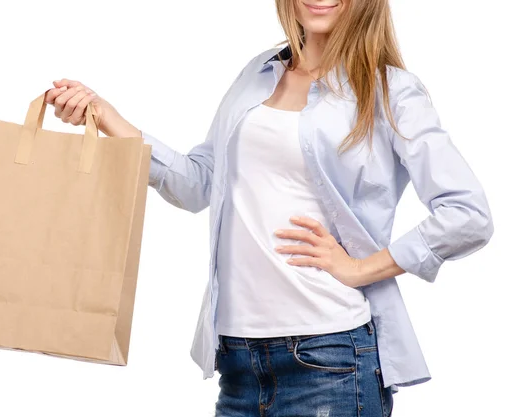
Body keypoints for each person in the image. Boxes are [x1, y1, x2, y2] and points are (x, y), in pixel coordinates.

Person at [44, 1, 494, 415]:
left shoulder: (390, 90)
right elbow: (198, 184)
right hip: (238, 363)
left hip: (330, 359)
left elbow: (467, 214)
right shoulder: (257, 74)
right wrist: (106, 117)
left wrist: (360, 268)